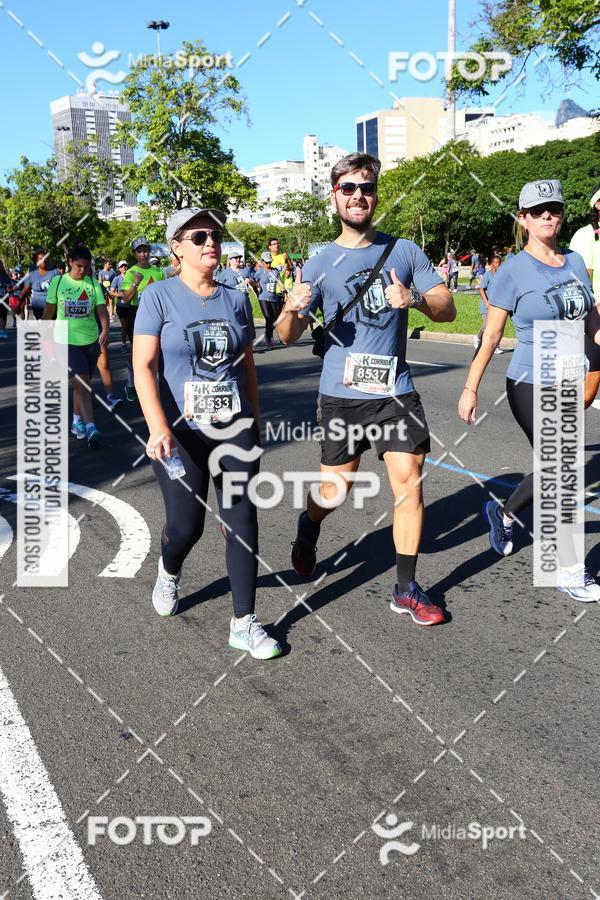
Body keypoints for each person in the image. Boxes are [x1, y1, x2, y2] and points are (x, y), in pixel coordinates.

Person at [276, 151, 456, 626]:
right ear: (334, 196)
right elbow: (286, 336)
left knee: (409, 482)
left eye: (367, 188)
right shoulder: (319, 262)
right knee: (335, 489)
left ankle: (406, 589)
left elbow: (447, 308)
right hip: (341, 395)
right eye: (349, 188)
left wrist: (414, 298)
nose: (359, 196)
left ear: (376, 195)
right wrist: (292, 307)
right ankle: (308, 524)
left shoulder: (404, 251)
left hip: (395, 391)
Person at [133, 207, 281, 659]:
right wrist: (158, 426)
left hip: (234, 427)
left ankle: (244, 622)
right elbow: (143, 366)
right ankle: (169, 570)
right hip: (180, 433)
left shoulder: (236, 299)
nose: (210, 242)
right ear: (176, 248)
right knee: (186, 527)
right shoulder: (158, 297)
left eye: (214, 235)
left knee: (241, 519)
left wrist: (254, 419)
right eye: (198, 237)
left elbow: (246, 365)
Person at [458, 179, 600, 602]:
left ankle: (502, 513)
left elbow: (590, 319)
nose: (547, 216)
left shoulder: (575, 261)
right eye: (537, 211)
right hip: (529, 380)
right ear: (523, 219)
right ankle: (568, 570)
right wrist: (470, 387)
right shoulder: (512, 271)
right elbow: (491, 335)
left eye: (554, 208)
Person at [42, 243, 109, 447]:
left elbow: (101, 310)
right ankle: (91, 427)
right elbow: (48, 311)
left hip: (90, 341)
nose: (82, 270)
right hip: (65, 340)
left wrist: (105, 329)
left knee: (81, 385)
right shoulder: (58, 282)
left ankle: (76, 421)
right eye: (79, 266)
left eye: (86, 267)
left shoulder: (93, 283)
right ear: (70, 262)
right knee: (82, 382)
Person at [120, 237, 165, 401]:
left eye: (145, 250)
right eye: (139, 251)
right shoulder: (131, 272)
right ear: (135, 254)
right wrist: (135, 283)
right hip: (137, 313)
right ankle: (131, 384)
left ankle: (158, 384)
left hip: (158, 315)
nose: (143, 254)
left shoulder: (158, 272)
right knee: (137, 352)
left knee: (160, 350)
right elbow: (125, 298)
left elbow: (165, 294)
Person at [569, 182, 600, 409]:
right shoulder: (585, 236)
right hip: (593, 318)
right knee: (590, 384)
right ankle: (559, 422)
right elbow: (580, 284)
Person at [20, 251, 59, 320]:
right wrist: (19, 303)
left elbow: (61, 288)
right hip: (38, 307)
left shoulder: (55, 272)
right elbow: (25, 290)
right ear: (36, 262)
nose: (43, 260)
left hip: (52, 305)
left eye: (45, 258)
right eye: (40, 259)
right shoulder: (31, 275)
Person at [474, 255, 502, 352]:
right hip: (486, 304)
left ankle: (496, 346)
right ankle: (478, 337)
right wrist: (486, 303)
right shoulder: (487, 275)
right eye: (496, 263)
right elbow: (481, 289)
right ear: (491, 264)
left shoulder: (501, 276)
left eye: (499, 263)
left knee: (497, 326)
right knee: (487, 324)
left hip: (497, 305)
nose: (498, 265)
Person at [255, 251, 282, 349]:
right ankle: (269, 338)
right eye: (266, 262)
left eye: (270, 262)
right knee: (268, 317)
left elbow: (280, 283)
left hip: (273, 298)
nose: (268, 264)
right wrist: (256, 291)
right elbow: (253, 281)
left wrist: (285, 292)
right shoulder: (259, 272)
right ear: (262, 262)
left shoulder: (275, 271)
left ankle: (268, 333)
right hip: (263, 297)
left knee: (274, 319)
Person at [109, 260, 130, 345]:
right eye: (122, 266)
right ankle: (124, 344)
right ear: (119, 269)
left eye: (125, 266)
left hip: (131, 305)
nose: (124, 267)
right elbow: (111, 292)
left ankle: (133, 345)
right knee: (124, 325)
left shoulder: (131, 278)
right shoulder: (116, 279)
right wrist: (119, 295)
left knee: (131, 326)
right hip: (121, 305)